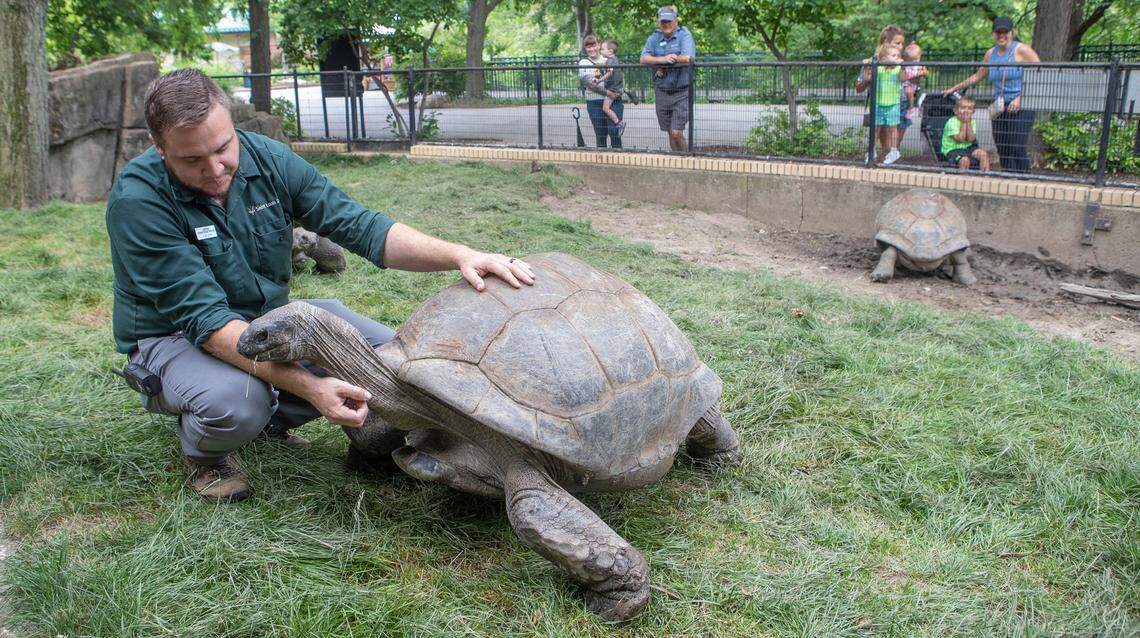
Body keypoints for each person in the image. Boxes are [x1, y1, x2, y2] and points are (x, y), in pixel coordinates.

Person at [106, 69, 536, 503]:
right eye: (192, 160)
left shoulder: (269, 160)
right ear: (158, 147)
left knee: (397, 363)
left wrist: (460, 255)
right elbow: (208, 323)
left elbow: (360, 225)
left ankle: (270, 419)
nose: (215, 169)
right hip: (177, 336)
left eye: (223, 148)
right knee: (237, 402)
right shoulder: (138, 202)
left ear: (232, 126)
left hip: (263, 321)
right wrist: (311, 387)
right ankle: (206, 453)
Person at [944, 15, 1040, 173]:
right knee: (1002, 146)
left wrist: (1020, 98)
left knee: (1016, 144)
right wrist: (954, 88)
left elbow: (1040, 76)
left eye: (1005, 32)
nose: (1001, 36)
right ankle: (1009, 178)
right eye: (998, 32)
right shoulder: (990, 54)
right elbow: (978, 75)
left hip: (1021, 105)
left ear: (1012, 32)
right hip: (1000, 106)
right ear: (993, 34)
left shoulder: (1022, 50)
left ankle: (1024, 179)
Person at [639, 6, 695, 152]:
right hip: (662, 91)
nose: (666, 24)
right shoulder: (654, 37)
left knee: (676, 132)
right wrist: (663, 59)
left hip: (681, 91)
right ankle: (677, 162)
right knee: (670, 132)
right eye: (663, 21)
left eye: (669, 21)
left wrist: (664, 63)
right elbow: (643, 59)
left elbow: (687, 58)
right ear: (659, 22)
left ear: (676, 21)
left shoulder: (684, 35)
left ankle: (686, 158)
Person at [578, 35, 623, 148]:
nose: (591, 49)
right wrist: (608, 93)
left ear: (598, 45)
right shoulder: (583, 62)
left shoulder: (608, 58)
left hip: (613, 101)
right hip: (595, 102)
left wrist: (618, 91)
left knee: (614, 132)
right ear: (585, 48)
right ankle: (602, 161)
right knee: (601, 135)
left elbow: (619, 76)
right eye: (588, 47)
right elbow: (590, 84)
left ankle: (618, 160)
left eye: (593, 45)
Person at [872, 43, 903, 164]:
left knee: (893, 128)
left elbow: (903, 78)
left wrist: (902, 66)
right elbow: (869, 76)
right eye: (894, 55)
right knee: (875, 128)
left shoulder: (898, 69)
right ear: (884, 58)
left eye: (898, 55)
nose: (897, 58)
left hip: (893, 104)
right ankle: (872, 149)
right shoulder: (878, 68)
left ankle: (894, 150)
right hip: (878, 103)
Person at [942, 96, 990, 171]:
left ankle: (985, 177)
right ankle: (964, 180)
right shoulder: (951, 122)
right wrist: (964, 122)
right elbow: (960, 139)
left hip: (968, 148)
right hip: (953, 150)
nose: (966, 111)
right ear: (955, 110)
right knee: (965, 160)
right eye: (963, 108)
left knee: (983, 154)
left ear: (973, 111)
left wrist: (968, 122)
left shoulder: (972, 122)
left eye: (969, 108)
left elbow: (971, 139)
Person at [600, 39, 626, 137]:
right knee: (608, 107)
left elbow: (609, 72)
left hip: (612, 89)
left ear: (610, 51)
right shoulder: (615, 60)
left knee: (605, 108)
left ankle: (619, 123)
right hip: (617, 88)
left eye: (602, 49)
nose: (600, 51)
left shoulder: (611, 61)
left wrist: (599, 80)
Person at [902, 43, 928, 122]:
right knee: (908, 90)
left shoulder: (920, 66)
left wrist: (923, 73)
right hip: (905, 85)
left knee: (909, 91)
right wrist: (917, 74)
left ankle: (911, 107)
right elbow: (904, 77)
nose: (914, 62)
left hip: (915, 86)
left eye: (916, 59)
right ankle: (911, 107)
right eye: (911, 60)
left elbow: (926, 74)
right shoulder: (905, 66)